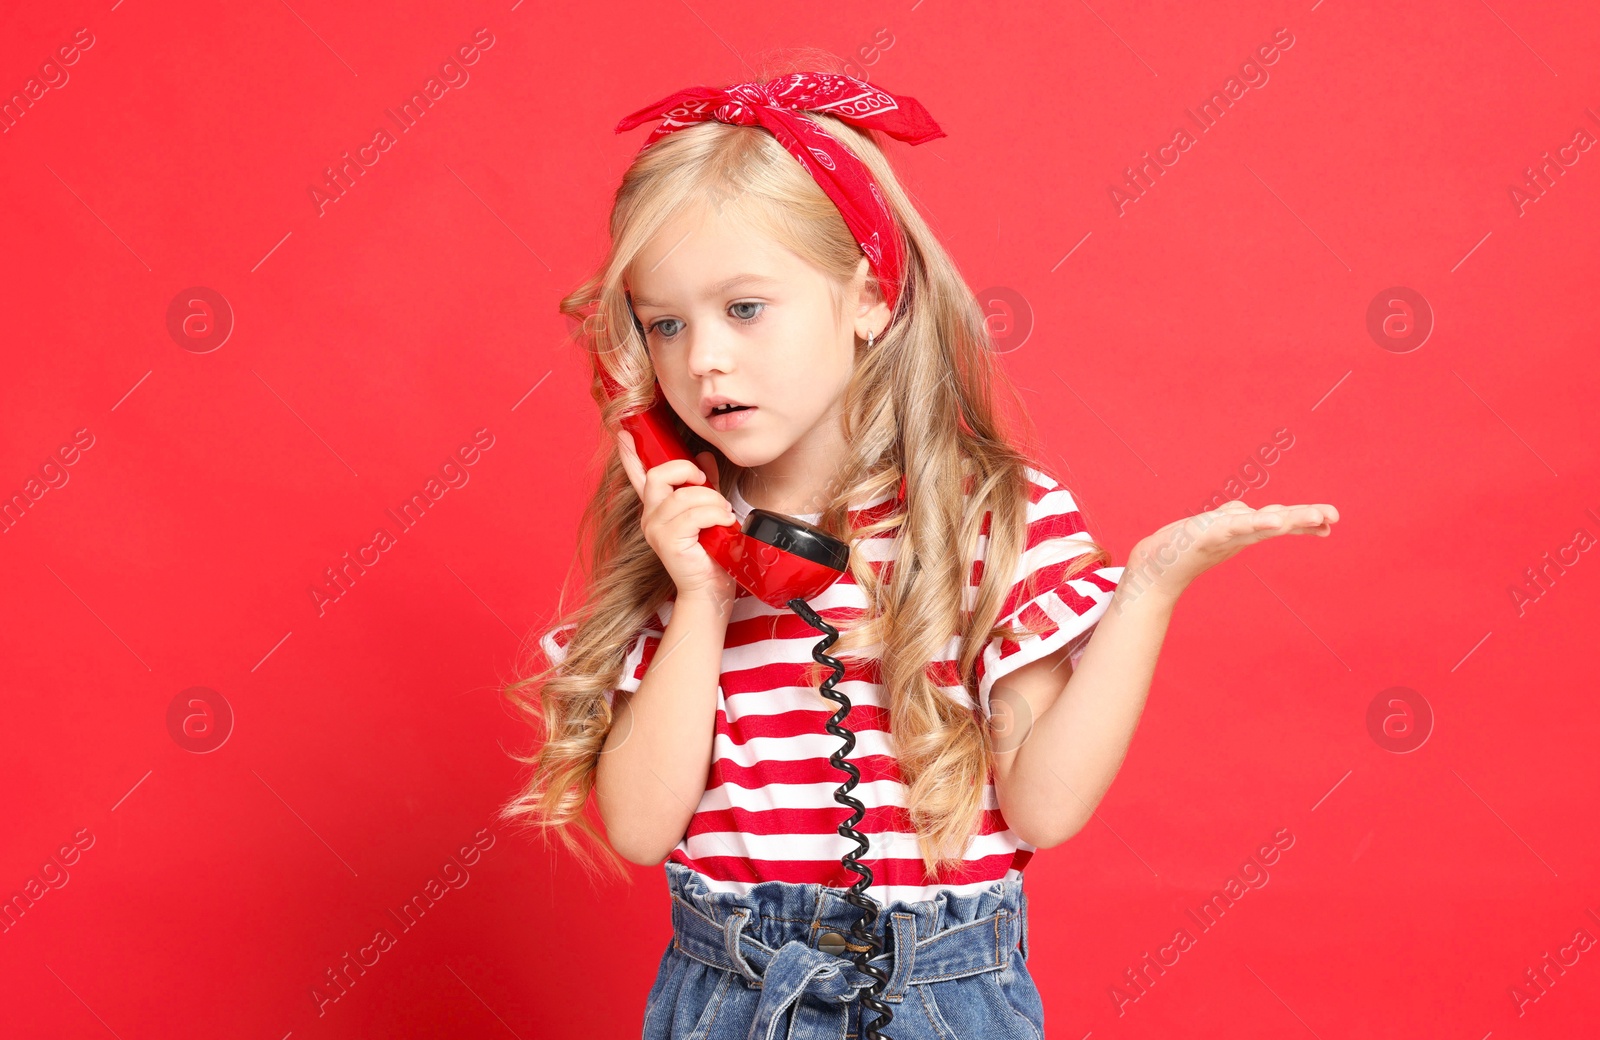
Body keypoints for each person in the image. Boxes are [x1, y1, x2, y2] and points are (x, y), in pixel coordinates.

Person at [499, 58, 1339, 1040]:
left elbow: (1045, 806)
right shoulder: (680, 539)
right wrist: (698, 594)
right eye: (665, 324)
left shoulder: (989, 519)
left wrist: (1147, 591)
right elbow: (641, 829)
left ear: (865, 298)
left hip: (946, 991)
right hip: (729, 991)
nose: (704, 358)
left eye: (744, 308)